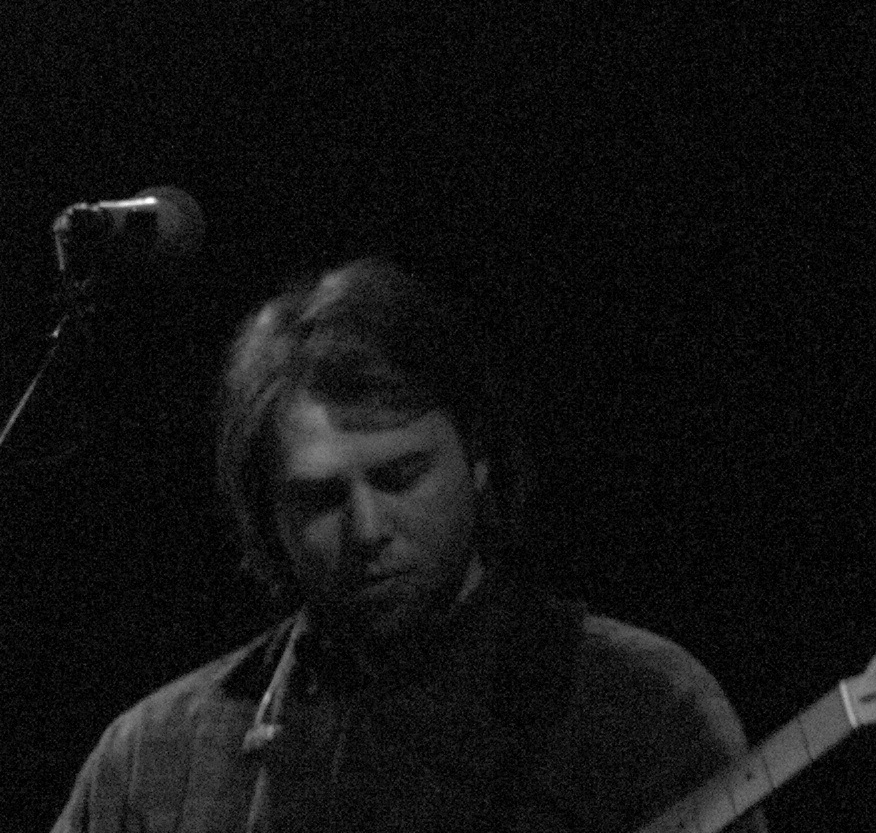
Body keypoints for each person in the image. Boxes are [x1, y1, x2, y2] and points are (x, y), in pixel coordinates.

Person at [53, 260, 756, 833]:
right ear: (268, 516)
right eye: (320, 498)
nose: (367, 529)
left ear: (477, 458)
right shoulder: (155, 757)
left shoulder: (638, 707)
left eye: (400, 476)